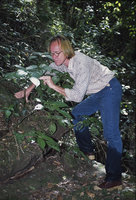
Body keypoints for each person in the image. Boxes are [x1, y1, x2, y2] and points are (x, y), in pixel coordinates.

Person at [15, 35, 123, 190]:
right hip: (100, 91)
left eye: (57, 53)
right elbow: (46, 71)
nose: (54, 56)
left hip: (110, 89)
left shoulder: (81, 63)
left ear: (66, 50)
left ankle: (114, 179)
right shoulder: (62, 61)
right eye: (52, 53)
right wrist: (28, 90)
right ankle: (87, 151)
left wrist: (53, 86)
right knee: (77, 113)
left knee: (111, 134)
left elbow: (78, 96)